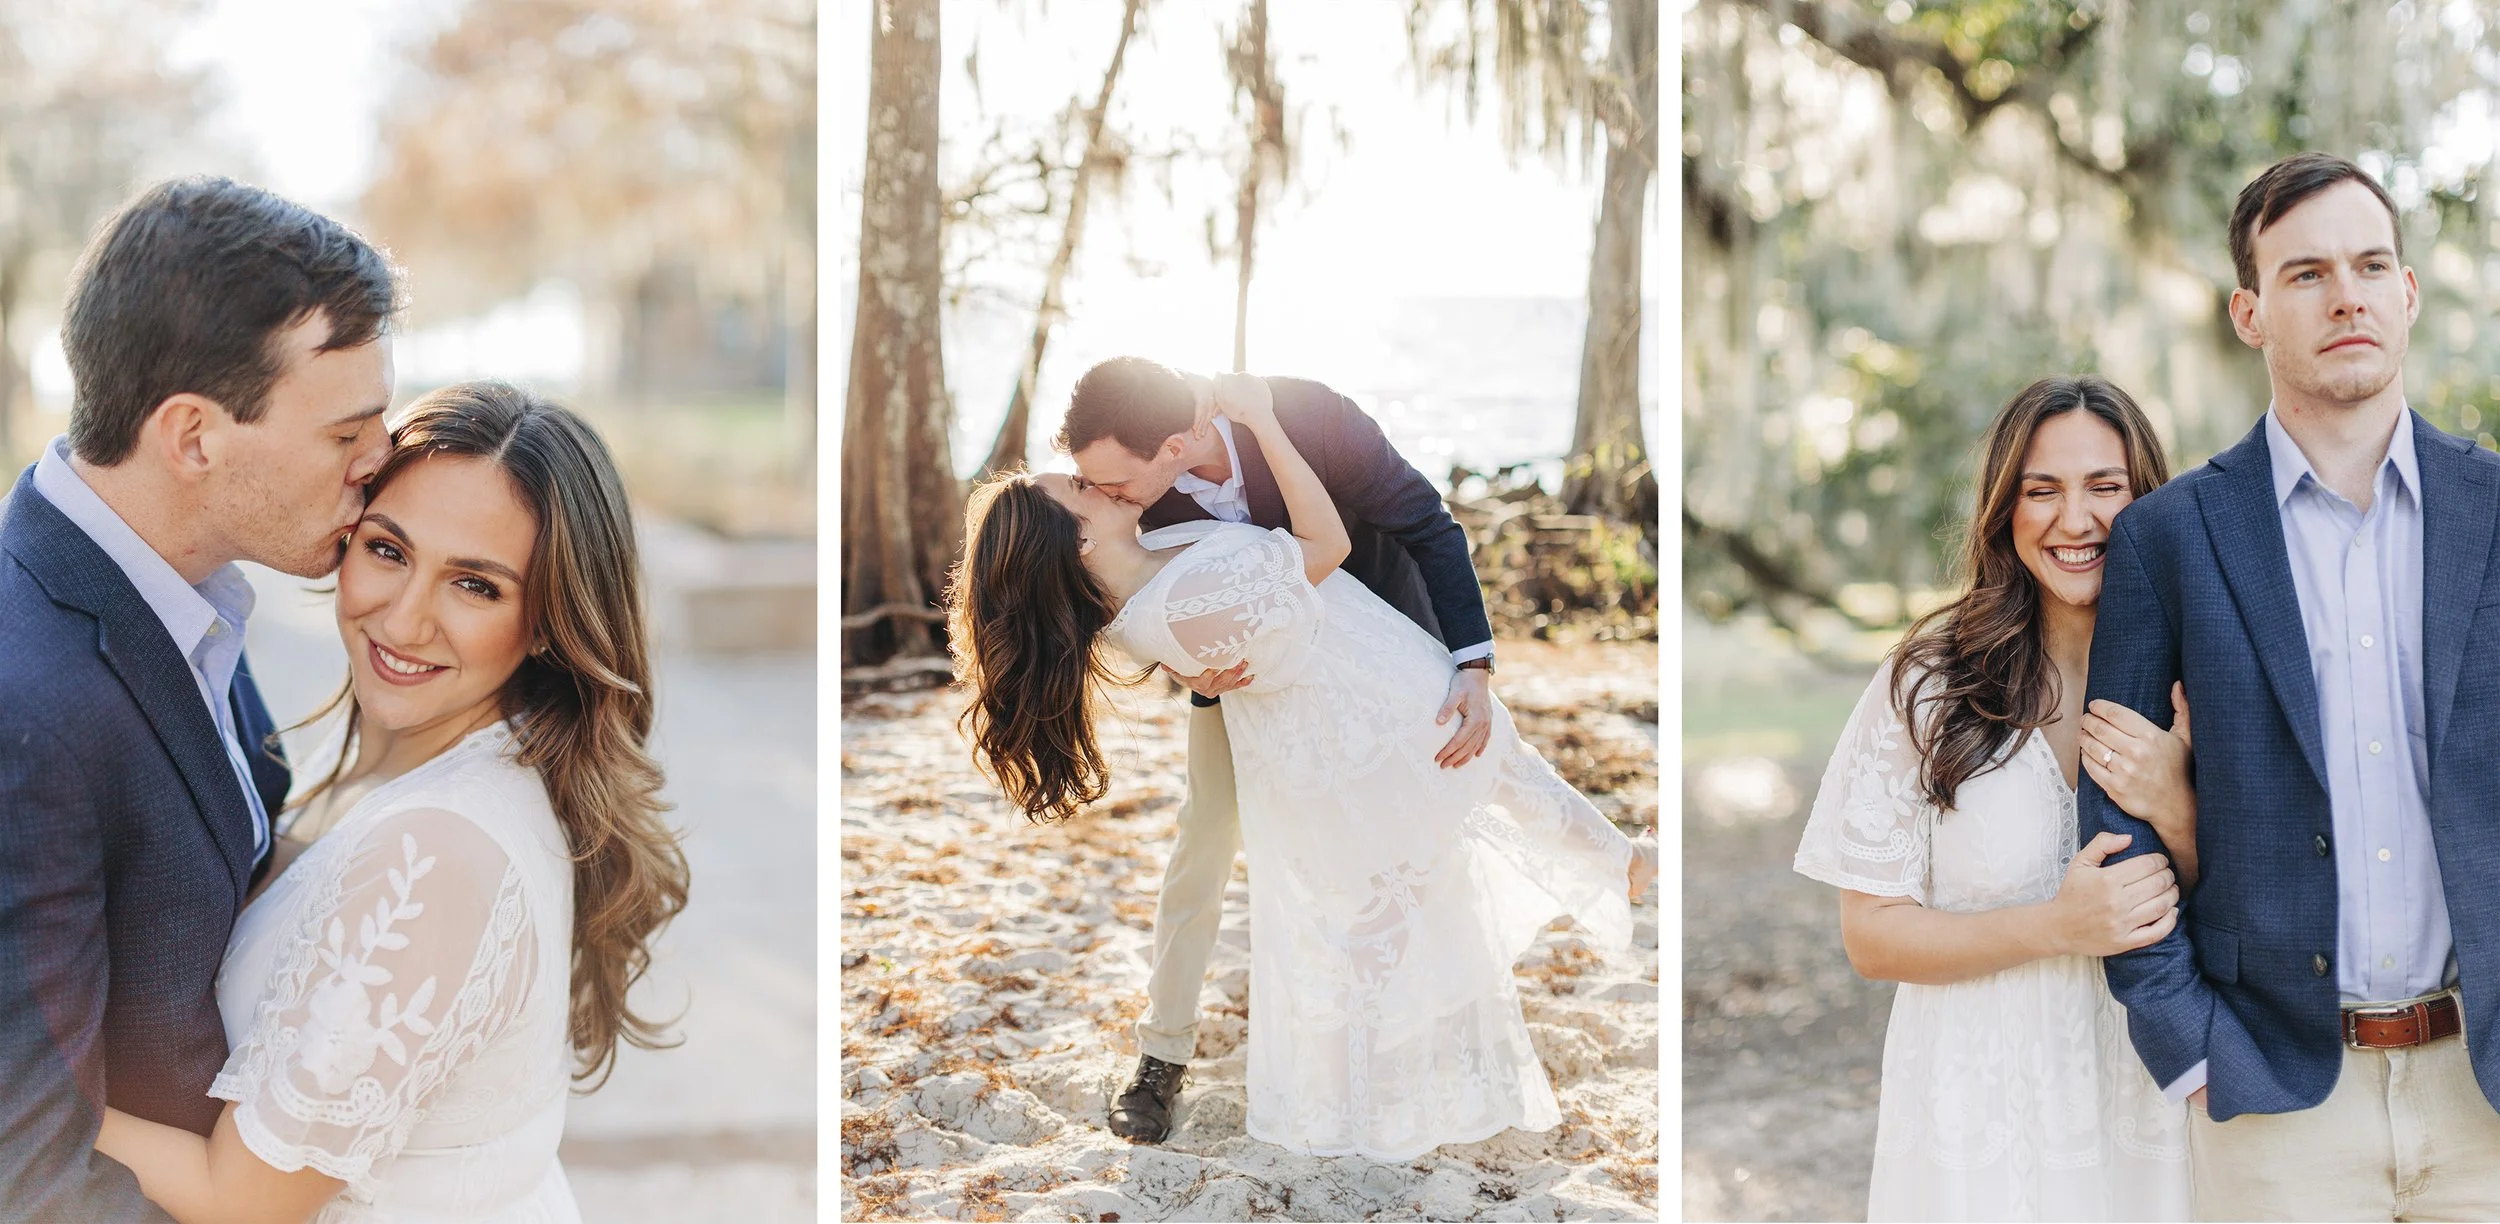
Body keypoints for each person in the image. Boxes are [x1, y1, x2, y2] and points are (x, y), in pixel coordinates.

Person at [950, 371, 1656, 1160]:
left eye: (1105, 477)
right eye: (1086, 482)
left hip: (1355, 628)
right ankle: (1163, 1052)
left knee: (1465, 773)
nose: (1102, 488)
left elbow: (1426, 524)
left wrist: (1474, 663)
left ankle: (1588, 879)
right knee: (1207, 839)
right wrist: (1185, 662)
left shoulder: (1307, 419)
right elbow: (1107, 596)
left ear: (1173, 449)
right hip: (1249, 678)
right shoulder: (1132, 502)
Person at [92, 382, 691, 1222]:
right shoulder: (433, 774)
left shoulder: (440, 845)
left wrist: (27, 1090)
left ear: (550, 619)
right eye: (388, 551)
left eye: (475, 586)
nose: (405, 620)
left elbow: (244, 1202)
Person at [2083, 151, 2500, 1219]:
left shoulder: (2493, 507)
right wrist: (2191, 1049)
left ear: (2406, 294)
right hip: (2276, 1098)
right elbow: (2113, 833)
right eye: (2305, 273)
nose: (2345, 293)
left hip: (2487, 1092)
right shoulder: (2167, 539)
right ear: (2249, 312)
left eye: (2369, 265)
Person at [0, 176, 396, 1220]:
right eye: (344, 431)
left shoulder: (188, 590)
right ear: (193, 437)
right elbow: (30, 1178)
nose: (381, 458)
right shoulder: (23, 709)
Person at [1794, 376, 2194, 1219]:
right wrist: (2055, 926)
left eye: (2105, 487)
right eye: (2040, 490)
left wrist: (2176, 803)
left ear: (2151, 499)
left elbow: (2258, 902)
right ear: (2004, 509)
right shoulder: (1930, 681)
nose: (2074, 520)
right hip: (1976, 1104)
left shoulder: (2200, 675)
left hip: (2149, 1097)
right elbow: (1871, 937)